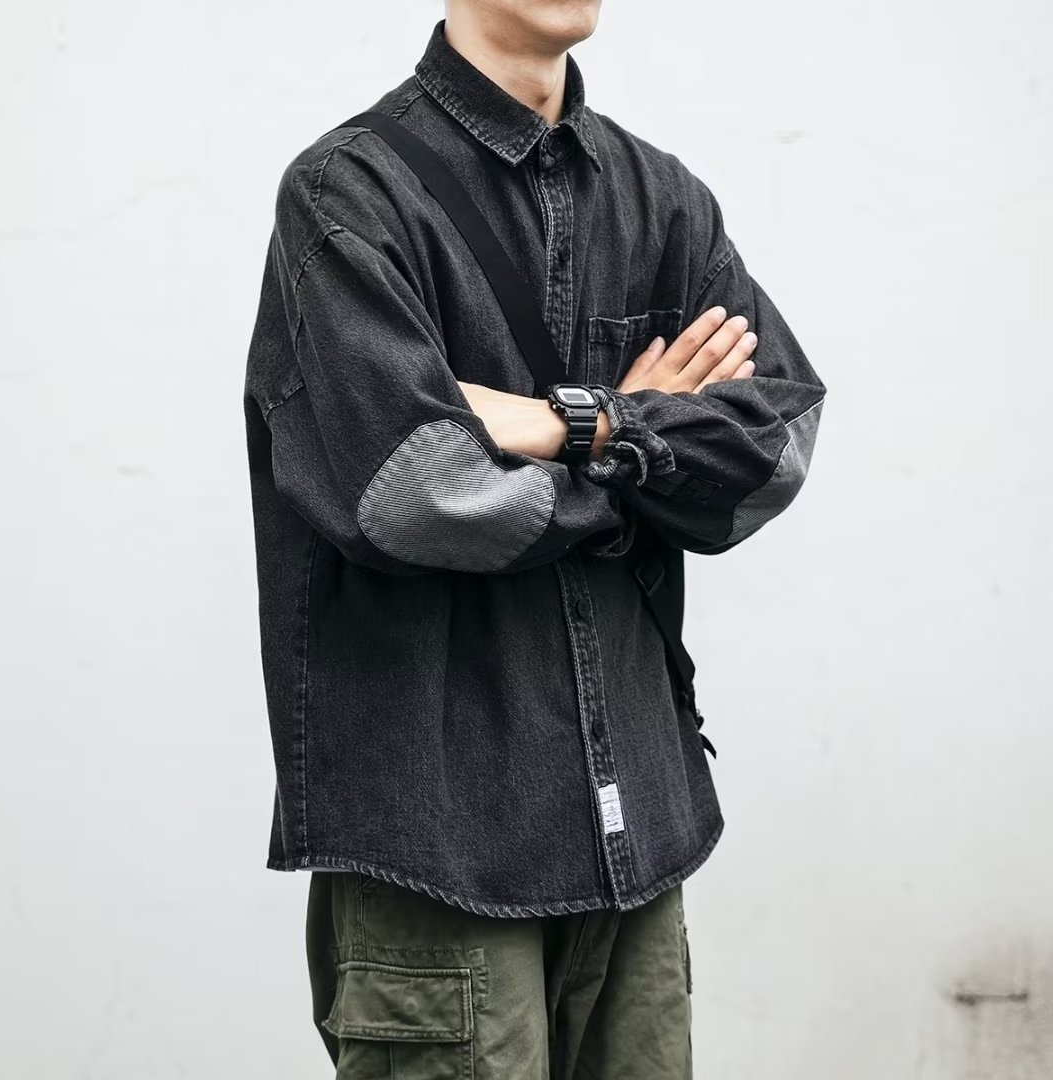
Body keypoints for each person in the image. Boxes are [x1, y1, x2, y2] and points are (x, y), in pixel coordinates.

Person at [243, 2, 827, 1075]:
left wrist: (574, 424)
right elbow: (417, 492)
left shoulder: (663, 200)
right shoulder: (347, 194)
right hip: (442, 851)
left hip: (638, 837)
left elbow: (775, 452)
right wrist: (649, 445)